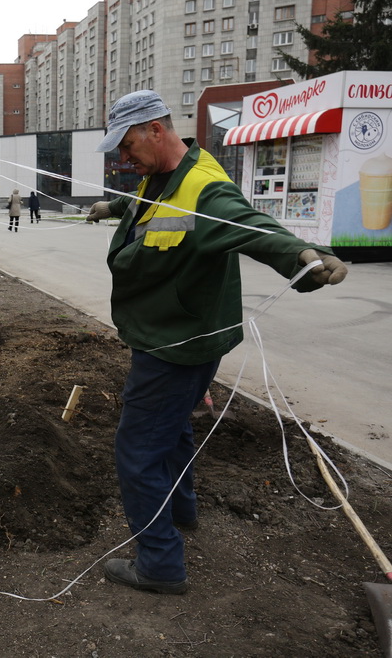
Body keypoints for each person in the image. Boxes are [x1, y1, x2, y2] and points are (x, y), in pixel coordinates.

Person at [86, 90, 348, 595]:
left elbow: (247, 225)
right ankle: (182, 512)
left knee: (137, 450)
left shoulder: (206, 188)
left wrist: (303, 256)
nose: (122, 158)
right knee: (176, 429)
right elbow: (151, 199)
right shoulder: (168, 176)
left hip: (176, 345)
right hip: (179, 333)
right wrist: (109, 204)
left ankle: (159, 564)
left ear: (156, 131)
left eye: (126, 145)